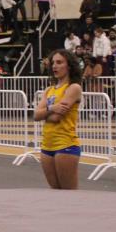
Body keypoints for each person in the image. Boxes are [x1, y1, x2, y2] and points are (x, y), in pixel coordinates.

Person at [34, 50, 83, 190]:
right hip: (46, 146)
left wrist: (46, 112)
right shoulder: (49, 90)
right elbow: (36, 115)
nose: (54, 66)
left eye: (59, 62)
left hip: (65, 145)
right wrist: (52, 108)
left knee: (68, 193)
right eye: (53, 63)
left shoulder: (73, 88)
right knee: (55, 192)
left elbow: (56, 118)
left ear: (69, 66)